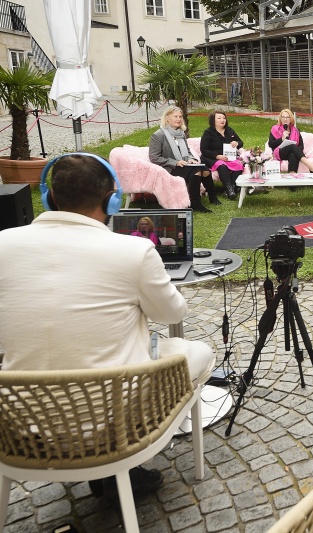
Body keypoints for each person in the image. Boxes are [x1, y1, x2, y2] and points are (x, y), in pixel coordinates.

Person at [0, 154, 216, 497]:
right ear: (112, 201)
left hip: (21, 426)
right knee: (200, 352)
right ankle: (126, 469)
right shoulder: (134, 251)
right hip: (112, 426)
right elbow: (173, 314)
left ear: (49, 197)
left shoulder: (3, 244)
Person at [149, 105, 218, 213]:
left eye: (180, 117)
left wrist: (190, 158)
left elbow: (188, 151)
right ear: (167, 118)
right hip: (170, 167)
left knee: (205, 170)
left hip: (185, 164)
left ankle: (213, 197)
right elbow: (154, 157)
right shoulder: (158, 135)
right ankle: (196, 203)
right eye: (175, 116)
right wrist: (175, 162)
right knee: (196, 172)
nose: (179, 119)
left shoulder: (181, 133)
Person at [200, 110, 244, 200]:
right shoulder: (208, 133)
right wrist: (217, 156)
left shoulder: (229, 130)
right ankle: (230, 189)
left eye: (224, 118)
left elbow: (241, 143)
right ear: (213, 120)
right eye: (219, 118)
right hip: (213, 158)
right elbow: (204, 150)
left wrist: (236, 143)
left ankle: (230, 189)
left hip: (229, 157)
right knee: (222, 165)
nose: (222, 120)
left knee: (239, 165)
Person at [267, 109, 313, 174]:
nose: (285, 119)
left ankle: (292, 175)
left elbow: (301, 146)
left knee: (293, 154)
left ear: (291, 119)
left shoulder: (295, 130)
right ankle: (310, 166)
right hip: (279, 152)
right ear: (280, 119)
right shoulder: (275, 129)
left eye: (287, 117)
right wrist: (282, 139)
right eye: (283, 117)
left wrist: (296, 151)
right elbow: (271, 144)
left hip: (291, 152)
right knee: (292, 146)